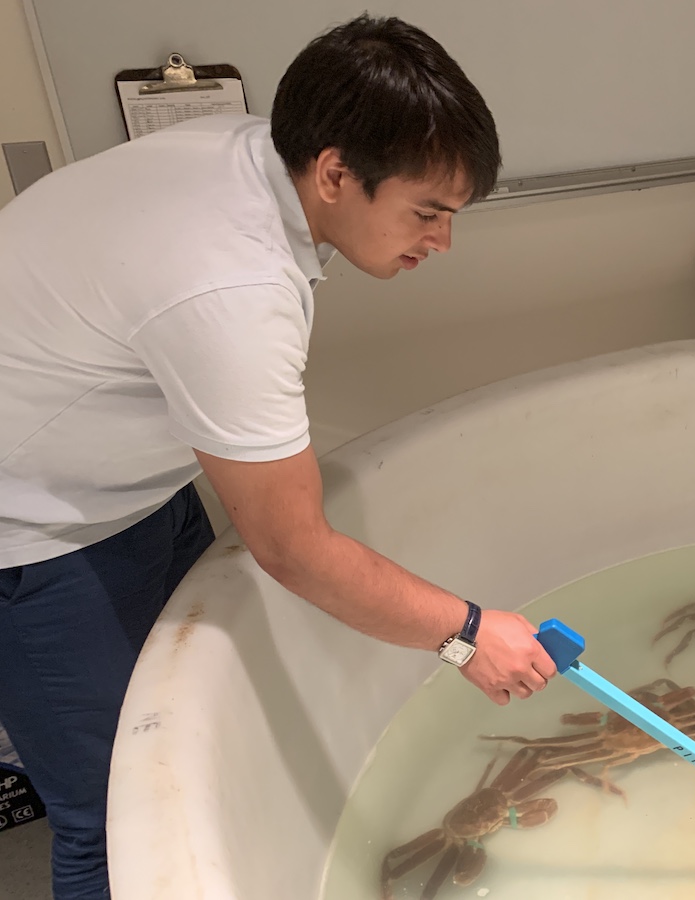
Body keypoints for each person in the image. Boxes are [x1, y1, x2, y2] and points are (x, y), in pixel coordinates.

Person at [0, 14, 557, 899]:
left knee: (192, 734)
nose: (441, 242)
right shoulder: (231, 281)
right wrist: (467, 634)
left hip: (126, 487)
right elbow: (292, 546)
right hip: (32, 538)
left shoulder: (246, 150)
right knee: (118, 819)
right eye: (428, 212)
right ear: (335, 171)